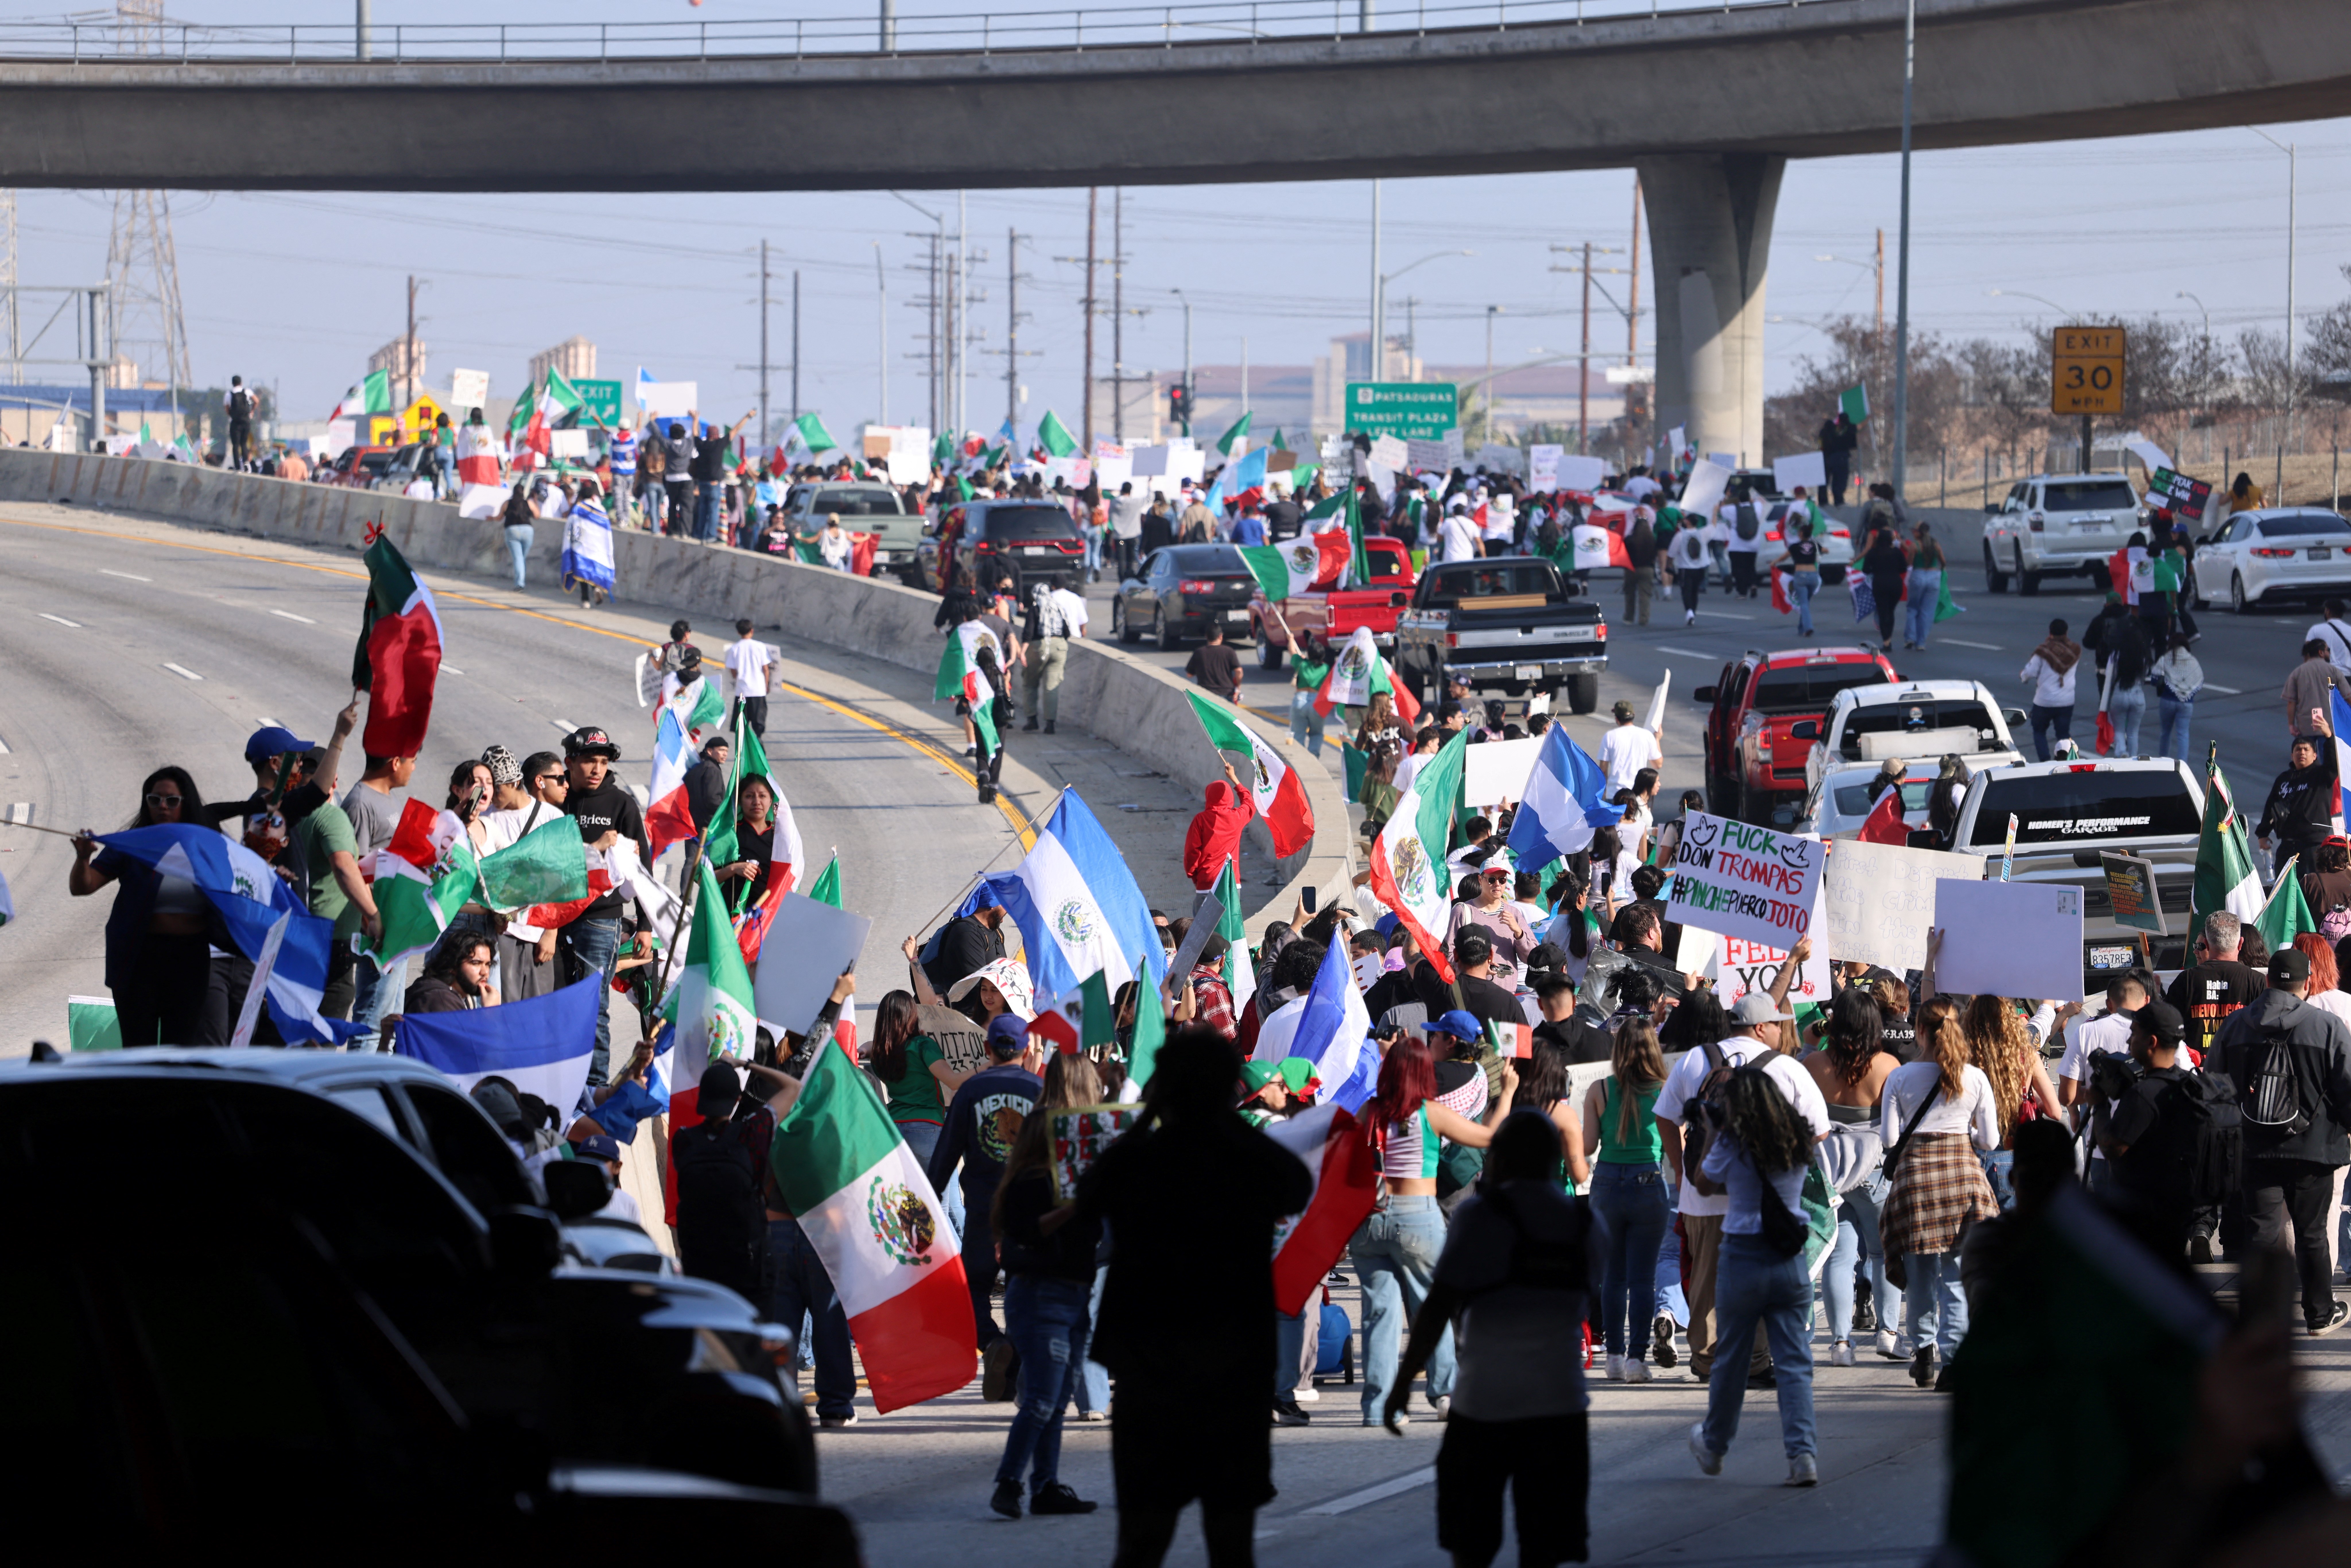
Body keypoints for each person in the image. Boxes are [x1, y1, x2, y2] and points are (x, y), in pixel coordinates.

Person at [1072, 1028, 1311, 1567]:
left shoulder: (1140, 1159)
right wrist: (1222, 1114)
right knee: (1231, 1541)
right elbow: (1295, 1183)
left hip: (1149, 1367)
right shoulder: (1246, 1157)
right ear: (1229, 1087)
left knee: (1141, 1539)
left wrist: (1146, 1113)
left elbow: (1087, 1198)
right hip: (1234, 1366)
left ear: (1164, 1088)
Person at [1384, 1111, 1597, 1568]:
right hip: (1560, 1408)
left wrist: (1402, 1384)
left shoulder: (1480, 1216)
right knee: (1545, 1549)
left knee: (1471, 1544)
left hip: (1484, 1407)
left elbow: (1439, 1304)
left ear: (1499, 1160)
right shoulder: (1585, 1224)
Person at [1351, 1036, 1519, 1427]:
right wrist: (1507, 1093)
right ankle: (1444, 1393)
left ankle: (1377, 1407)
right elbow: (1490, 1137)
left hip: (1371, 1221)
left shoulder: (1369, 1111)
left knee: (1379, 1314)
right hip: (1417, 1217)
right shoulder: (1429, 1113)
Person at [1685, 1050, 1832, 1489]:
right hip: (1789, 1260)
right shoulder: (1797, 1139)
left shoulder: (1732, 1141)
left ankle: (1714, 1446)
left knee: (1731, 1358)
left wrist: (1713, 1133)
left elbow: (1704, 1185)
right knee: (1793, 1362)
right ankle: (1803, 1454)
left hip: (1743, 1255)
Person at [1655, 991, 1804, 1388]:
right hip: (1761, 1196)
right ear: (1760, 1028)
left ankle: (1707, 1361)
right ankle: (1756, 1363)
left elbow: (1665, 1118)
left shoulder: (1695, 1059)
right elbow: (1817, 1129)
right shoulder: (1784, 1068)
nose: (1781, 1031)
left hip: (1702, 1191)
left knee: (1705, 1281)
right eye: (1778, 1025)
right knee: (1758, 1279)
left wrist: (1682, 1169)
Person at [988, 1052, 1107, 1520]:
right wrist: (1074, 1205)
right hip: (1042, 1293)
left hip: (1074, 1288)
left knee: (1057, 1398)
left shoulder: (1080, 1160)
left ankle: (1046, 1485)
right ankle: (1009, 1481)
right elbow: (1026, 1226)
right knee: (1041, 1396)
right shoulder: (1036, 1176)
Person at [2214, 947, 2351, 1337]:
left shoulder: (2236, 1026)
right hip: (2315, 1148)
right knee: (2311, 1232)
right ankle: (2320, 1312)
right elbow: (2347, 1088)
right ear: (2308, 983)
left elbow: (2216, 1086)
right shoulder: (2327, 1026)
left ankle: (2260, 1317)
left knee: (2261, 1230)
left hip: (2253, 1146)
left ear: (2268, 981)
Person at [1878, 996, 2001, 1389]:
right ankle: (1954, 1361)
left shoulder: (1899, 1077)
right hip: (1962, 1178)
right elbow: (1991, 1141)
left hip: (1916, 1179)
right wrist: (1965, 1132)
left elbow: (1889, 1139)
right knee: (1956, 1276)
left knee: (1919, 1276)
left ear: (1919, 1030)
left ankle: (1924, 1353)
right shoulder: (1976, 1077)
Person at [927, 1012, 1046, 1379]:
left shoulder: (970, 1092)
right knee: (1023, 1289)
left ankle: (994, 1344)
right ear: (1027, 1050)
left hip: (983, 1208)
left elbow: (946, 1154)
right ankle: (1014, 1365)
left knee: (973, 1290)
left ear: (985, 1048)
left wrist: (927, 1200)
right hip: (1030, 1210)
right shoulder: (1040, 1091)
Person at [68, 766, 219, 1047]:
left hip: (190, 960)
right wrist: (83, 858)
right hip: (139, 959)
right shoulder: (132, 844)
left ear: (186, 804)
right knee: (139, 1049)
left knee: (182, 1050)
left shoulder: (207, 844)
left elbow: (240, 885)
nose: (163, 807)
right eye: (155, 800)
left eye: (171, 801)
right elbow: (83, 887)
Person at [1800, 986, 1901, 1366]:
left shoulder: (1814, 1067)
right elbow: (1894, 1129)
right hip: (1874, 1173)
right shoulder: (1888, 1067)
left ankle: (1841, 1342)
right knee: (1885, 1253)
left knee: (1838, 1257)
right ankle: (1888, 1333)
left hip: (1829, 1174)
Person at [1581, 1019, 1672, 1382]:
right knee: (1643, 1279)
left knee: (1612, 1277)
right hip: (1649, 1183)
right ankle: (1636, 1359)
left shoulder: (1599, 1089)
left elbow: (1588, 1147)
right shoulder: (1665, 1090)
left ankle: (1614, 1357)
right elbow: (1672, 1144)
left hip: (1605, 1184)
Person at [558, 726, 647, 1087]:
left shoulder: (621, 804)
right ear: (570, 762)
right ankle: (560, 1082)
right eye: (589, 761)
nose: (597, 769)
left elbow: (642, 868)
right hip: (551, 919)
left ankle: (594, 1088)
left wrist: (645, 924)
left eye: (603, 762)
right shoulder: (555, 797)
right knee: (554, 1003)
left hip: (600, 919)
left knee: (594, 1008)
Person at [2096, 999, 2203, 1262]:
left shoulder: (2143, 1095)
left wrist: (2098, 1104)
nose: (2128, 1042)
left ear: (2152, 1042)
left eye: (2134, 1034)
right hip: (2180, 1207)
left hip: (2145, 1215)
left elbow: (2111, 1147)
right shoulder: (2190, 1083)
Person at [870, 988, 971, 1175]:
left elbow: (877, 1046)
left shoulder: (879, 1053)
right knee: (936, 1201)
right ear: (911, 1015)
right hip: (926, 1126)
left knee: (905, 1199)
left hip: (893, 1127)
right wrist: (989, 1065)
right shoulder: (923, 1046)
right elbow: (954, 1082)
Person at [2257, 727, 2340, 872]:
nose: (2302, 753)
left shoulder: (2322, 775)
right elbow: (2271, 806)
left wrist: (2329, 737)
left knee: (2312, 887)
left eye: (2306, 750)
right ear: (2292, 755)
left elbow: (2333, 762)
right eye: (2298, 750)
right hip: (2288, 844)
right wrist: (2263, 834)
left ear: (2315, 756)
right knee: (2283, 888)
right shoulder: (2284, 779)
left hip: (2313, 844)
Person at [1020, 577, 1083, 735]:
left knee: (1030, 683)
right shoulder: (1058, 608)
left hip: (1039, 647)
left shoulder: (1035, 610)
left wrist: (1022, 652)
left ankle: (1032, 720)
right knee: (1051, 687)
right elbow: (1068, 632)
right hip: (1060, 646)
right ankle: (1050, 725)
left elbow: (1028, 634)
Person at [1181, 758, 1254, 890]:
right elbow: (1249, 803)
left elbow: (1192, 852)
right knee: (1232, 912)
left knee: (1203, 912)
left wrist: (1194, 876)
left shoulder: (1201, 820)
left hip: (1207, 882)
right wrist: (1235, 779)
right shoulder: (1237, 817)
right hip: (1232, 883)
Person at [2020, 619, 2081, 762]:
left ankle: (2046, 762)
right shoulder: (2075, 650)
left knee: (2039, 731)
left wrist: (2023, 676)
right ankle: (2065, 761)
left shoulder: (2043, 651)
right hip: (2066, 701)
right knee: (2063, 734)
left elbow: (2030, 672)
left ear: (2050, 633)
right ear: (2066, 633)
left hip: (2044, 701)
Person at [401, 931, 494, 1014]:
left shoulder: (461, 996)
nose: (485, 972)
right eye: (476, 963)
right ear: (453, 965)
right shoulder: (441, 1002)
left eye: (488, 965)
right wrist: (491, 1013)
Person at [2150, 630, 2203, 763]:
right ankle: (2183, 764)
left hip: (2167, 701)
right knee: (2183, 734)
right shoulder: (2193, 661)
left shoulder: (2166, 658)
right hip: (2187, 704)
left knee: (2165, 733)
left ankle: (2163, 761)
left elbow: (2154, 680)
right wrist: (2187, 693)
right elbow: (2200, 681)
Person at [2282, 639, 2350, 740]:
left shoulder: (2298, 672)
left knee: (2308, 753)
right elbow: (2348, 696)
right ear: (2321, 652)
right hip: (2329, 726)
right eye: (2328, 650)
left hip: (2306, 726)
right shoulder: (2334, 671)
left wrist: (2291, 725)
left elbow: (2291, 702)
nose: (2329, 653)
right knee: (2328, 755)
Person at [1767, 518, 1822, 638]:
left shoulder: (1795, 547)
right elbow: (1825, 551)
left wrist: (1774, 563)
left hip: (1801, 576)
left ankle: (1808, 628)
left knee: (1804, 604)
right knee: (1806, 603)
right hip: (1814, 577)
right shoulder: (1815, 545)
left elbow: (1783, 558)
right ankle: (1801, 628)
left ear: (1801, 534)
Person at [1598, 698, 1663, 797]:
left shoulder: (1610, 736)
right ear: (1634, 715)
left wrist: (1603, 793)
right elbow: (1658, 764)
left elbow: (1603, 769)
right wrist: (1657, 739)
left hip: (1615, 794)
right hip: (1638, 794)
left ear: (1617, 719)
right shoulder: (1647, 735)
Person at [723, 618, 775, 739]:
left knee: (741, 726)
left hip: (742, 692)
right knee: (759, 726)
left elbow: (732, 669)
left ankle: (742, 751)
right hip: (758, 691)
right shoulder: (760, 647)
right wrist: (766, 685)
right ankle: (759, 746)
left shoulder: (734, 648)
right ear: (752, 631)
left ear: (738, 632)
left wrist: (738, 679)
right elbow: (766, 669)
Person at [1860, 526, 1908, 654]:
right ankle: (1889, 638)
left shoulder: (1874, 552)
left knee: (1882, 612)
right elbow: (1904, 569)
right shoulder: (1897, 553)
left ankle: (1886, 641)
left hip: (1880, 584)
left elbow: (1865, 570)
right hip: (1895, 584)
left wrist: (1876, 570)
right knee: (1891, 612)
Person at [1905, 523, 1946, 651]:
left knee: (1913, 608)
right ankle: (1921, 642)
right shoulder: (1935, 544)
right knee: (1927, 612)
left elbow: (1909, 562)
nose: (1913, 532)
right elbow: (1943, 562)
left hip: (1918, 575)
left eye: (1914, 530)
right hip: (1934, 576)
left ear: (1919, 533)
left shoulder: (1915, 545)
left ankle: (1910, 638)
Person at [1186, 622, 1244, 703]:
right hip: (1226, 694)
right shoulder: (1229, 651)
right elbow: (1239, 671)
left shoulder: (1199, 652)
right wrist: (1238, 687)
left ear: (1207, 637)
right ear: (1220, 636)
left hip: (1205, 695)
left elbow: (1189, 674)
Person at [1666, 513, 1709, 625]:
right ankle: (1693, 614)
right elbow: (1713, 527)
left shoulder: (1680, 536)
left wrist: (1669, 565)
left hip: (1686, 569)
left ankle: (1689, 611)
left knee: (1686, 591)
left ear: (1688, 522)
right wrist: (1714, 512)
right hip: (1700, 569)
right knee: (1695, 592)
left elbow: (1671, 553)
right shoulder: (1702, 534)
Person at [497, 478, 536, 589]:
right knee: (522, 558)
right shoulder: (529, 503)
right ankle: (520, 579)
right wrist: (536, 501)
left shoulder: (508, 503)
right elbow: (537, 515)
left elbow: (499, 517)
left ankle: (520, 584)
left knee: (518, 558)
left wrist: (491, 518)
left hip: (512, 531)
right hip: (528, 530)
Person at [1623, 510, 1658, 627]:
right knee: (1645, 596)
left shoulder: (1630, 540)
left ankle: (1629, 617)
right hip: (1647, 569)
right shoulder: (1652, 540)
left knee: (1630, 594)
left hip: (1631, 569)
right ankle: (1644, 619)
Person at [1819, 409, 1858, 505]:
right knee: (1839, 480)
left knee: (1824, 482)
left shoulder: (1825, 433)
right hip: (1841, 458)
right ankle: (1838, 500)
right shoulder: (1847, 429)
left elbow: (1820, 445)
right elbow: (1852, 443)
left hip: (1826, 458)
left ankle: (1823, 501)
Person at [224, 375, 256, 469]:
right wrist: (252, 411)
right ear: (241, 383)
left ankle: (237, 466)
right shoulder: (247, 392)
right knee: (244, 443)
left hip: (235, 422)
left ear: (233, 384)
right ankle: (246, 462)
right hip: (246, 421)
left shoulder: (229, 394)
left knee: (236, 445)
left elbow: (227, 409)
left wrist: (232, 415)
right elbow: (257, 401)